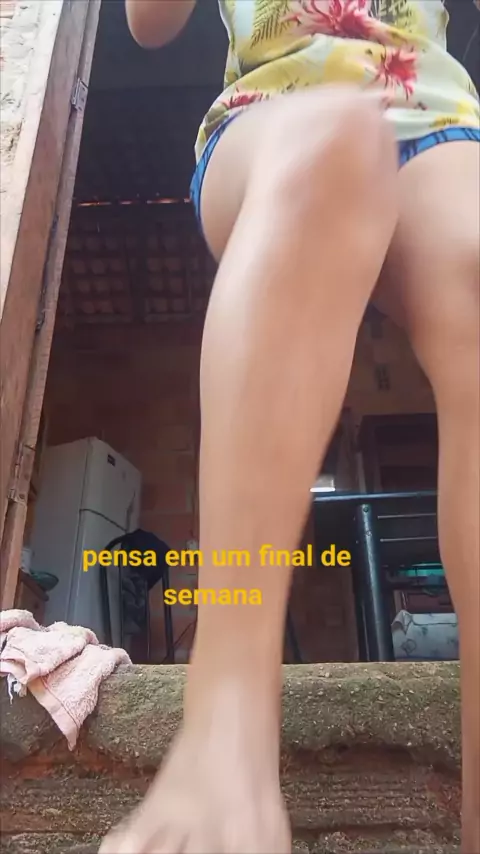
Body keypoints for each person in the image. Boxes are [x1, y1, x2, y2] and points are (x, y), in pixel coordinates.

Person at [100, 2, 480, 852]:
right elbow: (148, 24)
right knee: (329, 145)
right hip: (271, 111)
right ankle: (222, 737)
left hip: (440, 117)